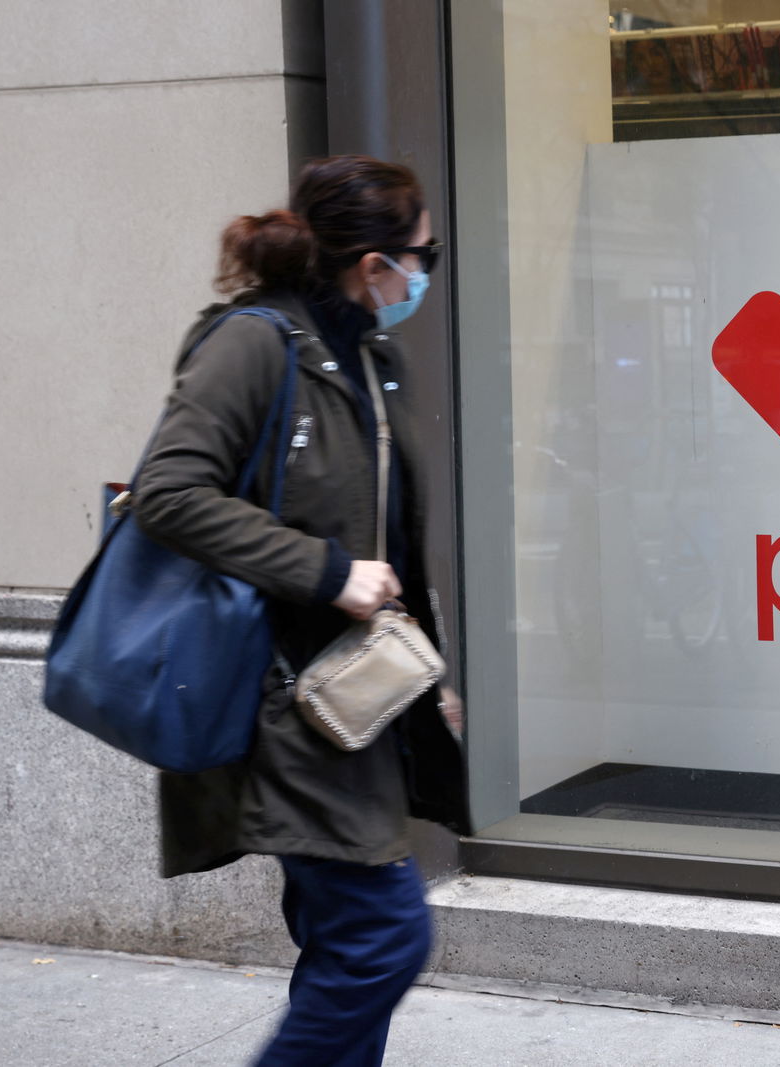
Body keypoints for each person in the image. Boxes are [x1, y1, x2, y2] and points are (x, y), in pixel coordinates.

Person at [133, 154, 470, 1066]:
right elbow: (166, 492)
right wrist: (325, 572)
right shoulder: (254, 343)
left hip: (358, 697)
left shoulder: (366, 356)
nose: (426, 275)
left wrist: (427, 680)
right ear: (374, 266)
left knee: (342, 948)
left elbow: (390, 538)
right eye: (423, 255)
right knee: (382, 941)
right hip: (284, 706)